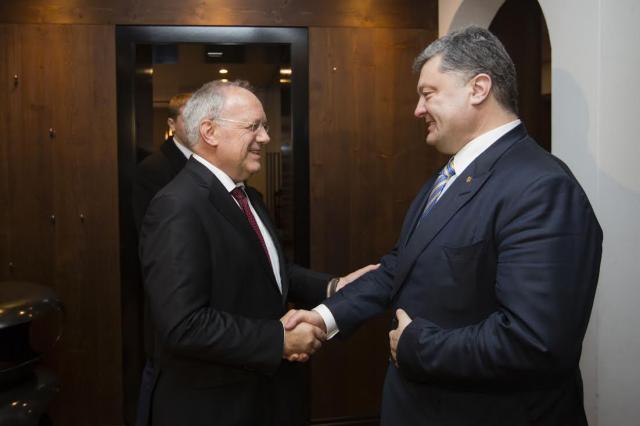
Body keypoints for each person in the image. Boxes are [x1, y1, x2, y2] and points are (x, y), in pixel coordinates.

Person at [285, 26, 603, 426]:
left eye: (428, 93)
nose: (418, 109)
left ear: (478, 89)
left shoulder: (542, 188)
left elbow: (537, 341)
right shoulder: (450, 174)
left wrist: (417, 346)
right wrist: (324, 317)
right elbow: (401, 265)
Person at [138, 80, 376, 426]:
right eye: (254, 126)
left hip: (260, 396)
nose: (265, 137)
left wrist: (333, 286)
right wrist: (279, 339)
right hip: (214, 406)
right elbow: (183, 325)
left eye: (264, 126)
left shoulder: (246, 195)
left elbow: (271, 269)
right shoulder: (177, 205)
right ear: (210, 132)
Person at [131, 92, 192, 426]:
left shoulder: (205, 164)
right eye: (188, 117)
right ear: (172, 123)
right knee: (156, 369)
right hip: (169, 288)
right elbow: (150, 238)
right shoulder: (153, 169)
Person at [132, 92, 193, 232]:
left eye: (201, 120)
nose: (197, 126)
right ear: (172, 124)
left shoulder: (213, 161)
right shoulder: (151, 169)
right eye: (190, 119)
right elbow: (152, 229)